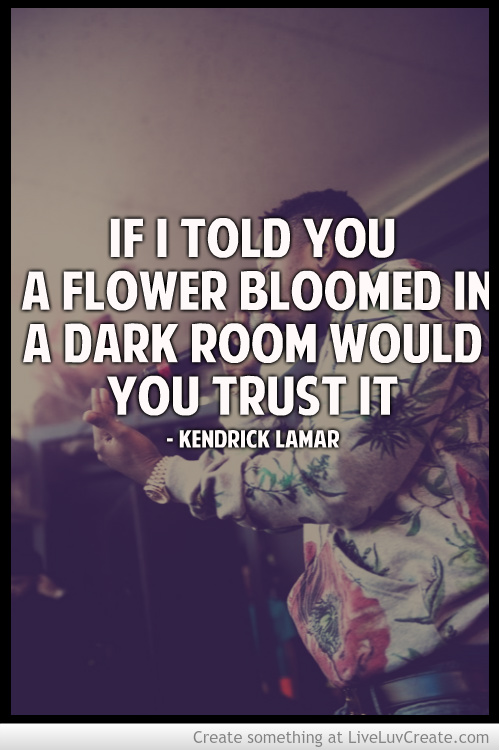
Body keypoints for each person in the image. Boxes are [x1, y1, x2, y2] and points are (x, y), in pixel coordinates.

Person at [83, 190, 489, 715]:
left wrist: (158, 471)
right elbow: (271, 479)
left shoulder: (401, 296)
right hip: (396, 678)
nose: (260, 288)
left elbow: (334, 477)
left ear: (322, 251)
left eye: (270, 265)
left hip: (453, 668)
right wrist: (244, 381)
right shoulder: (342, 345)